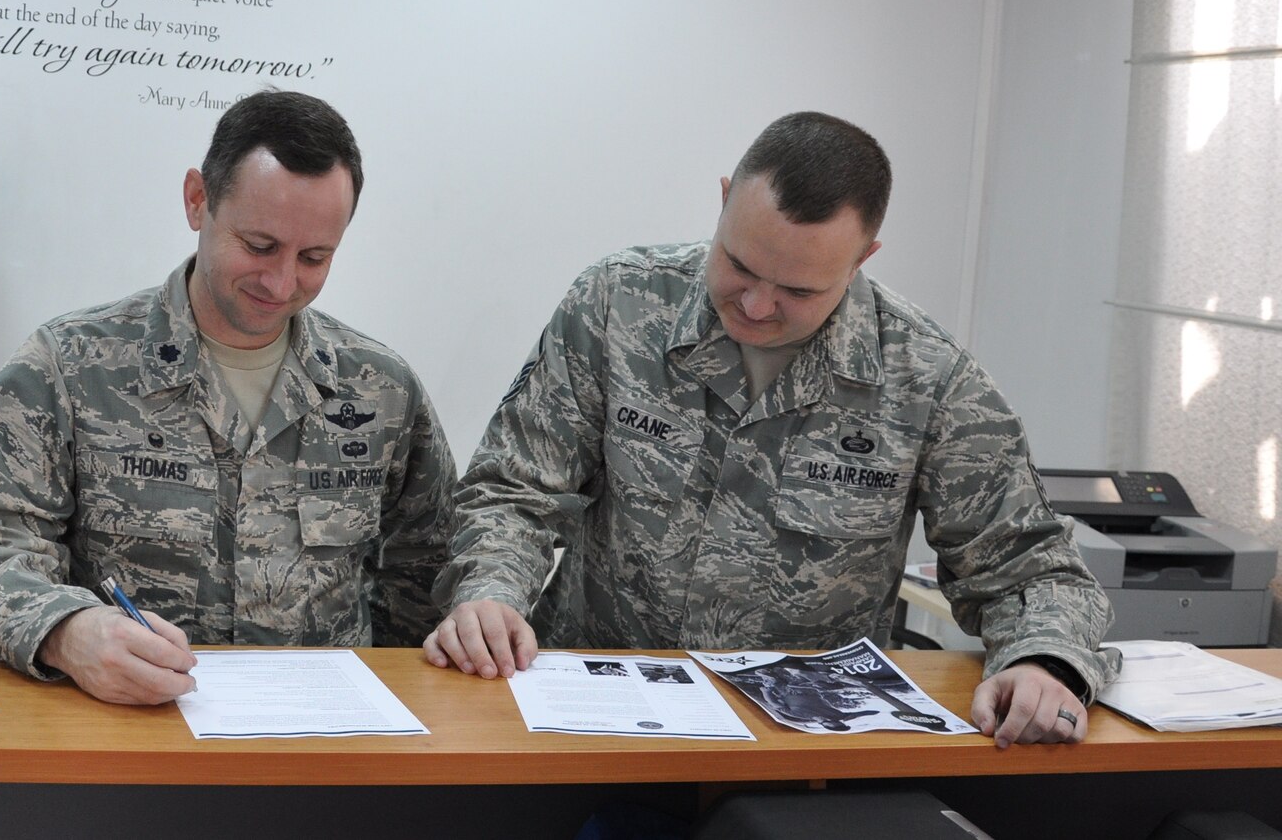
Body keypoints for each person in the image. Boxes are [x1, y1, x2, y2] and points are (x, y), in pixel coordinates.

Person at [427, 111, 1116, 749]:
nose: (756, 305)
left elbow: (1033, 569)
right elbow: (511, 489)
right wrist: (489, 591)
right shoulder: (616, 305)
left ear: (863, 258)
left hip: (795, 750)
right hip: (589, 717)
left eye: (798, 291)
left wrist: (1042, 661)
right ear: (724, 200)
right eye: (740, 267)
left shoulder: (930, 380)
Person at [0, 90, 457, 705]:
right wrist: (67, 631)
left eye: (314, 257)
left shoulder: (380, 388)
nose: (282, 282)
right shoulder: (72, 366)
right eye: (259, 246)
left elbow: (431, 571)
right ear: (197, 200)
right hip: (127, 741)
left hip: (320, 750)